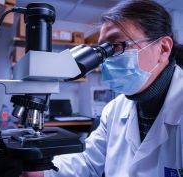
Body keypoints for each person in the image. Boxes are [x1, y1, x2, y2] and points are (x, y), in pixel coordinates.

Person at [21, 0, 183, 176]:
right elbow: (89, 160)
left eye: (115, 46)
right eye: (103, 49)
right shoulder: (114, 110)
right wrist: (44, 173)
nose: (106, 58)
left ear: (163, 48)